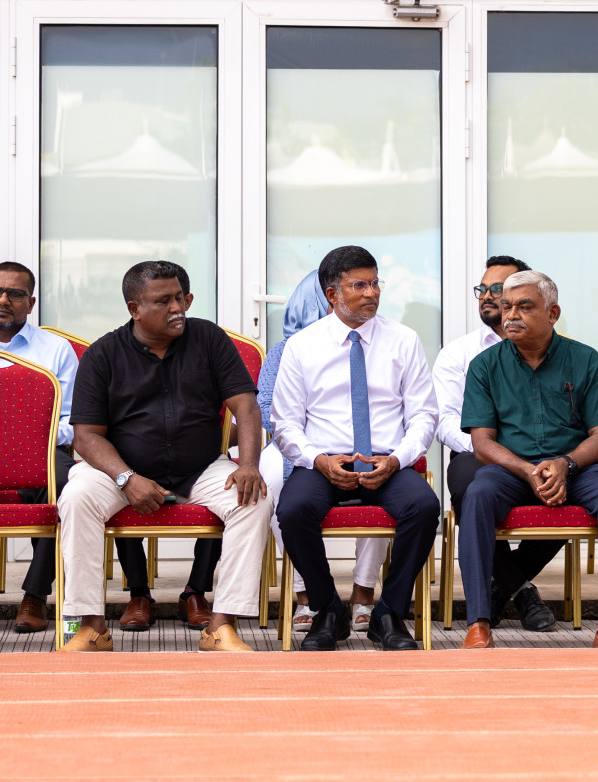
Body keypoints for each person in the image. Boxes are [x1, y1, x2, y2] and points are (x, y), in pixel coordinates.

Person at [58, 261, 270, 652]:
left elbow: (246, 407)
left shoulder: (208, 338)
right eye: (163, 301)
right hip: (119, 471)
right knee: (76, 497)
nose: (177, 308)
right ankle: (90, 626)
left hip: (200, 467)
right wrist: (125, 477)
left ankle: (220, 626)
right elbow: (86, 438)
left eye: (181, 298)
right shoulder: (103, 354)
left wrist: (249, 466)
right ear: (134, 308)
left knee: (253, 498)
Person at [272, 246, 439, 651]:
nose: (371, 293)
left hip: (386, 461)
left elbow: (424, 416)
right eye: (359, 285)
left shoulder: (403, 340)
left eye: (375, 283)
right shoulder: (302, 346)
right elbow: (285, 423)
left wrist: (398, 458)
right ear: (332, 295)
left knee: (425, 506)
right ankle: (328, 609)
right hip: (325, 462)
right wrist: (318, 460)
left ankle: (389, 613)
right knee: (292, 510)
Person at [458, 270, 598, 649]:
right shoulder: (485, 366)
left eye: (524, 306)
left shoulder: (585, 360)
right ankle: (478, 624)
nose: (510, 315)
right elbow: (482, 442)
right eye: (506, 307)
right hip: (511, 472)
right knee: (476, 495)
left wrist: (565, 465)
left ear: (552, 313)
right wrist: (525, 469)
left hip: (577, 469)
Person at [256, 270, 388, 633]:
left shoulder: (376, 342)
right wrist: (308, 446)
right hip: (296, 443)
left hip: (363, 441)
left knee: (380, 477)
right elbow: (267, 405)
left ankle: (364, 590)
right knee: (273, 480)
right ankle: (305, 593)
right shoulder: (288, 349)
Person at [434, 255, 558, 633]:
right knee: (472, 485)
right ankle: (521, 592)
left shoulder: (558, 352)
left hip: (541, 453)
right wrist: (486, 447)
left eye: (498, 290)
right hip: (476, 455)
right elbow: (443, 418)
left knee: (573, 488)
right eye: (483, 290)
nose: (489, 297)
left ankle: (498, 588)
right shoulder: (459, 352)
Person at [0, 260, 84, 634]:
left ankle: (35, 595)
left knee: (66, 485)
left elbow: (72, 420)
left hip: (43, 453)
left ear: (30, 303)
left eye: (15, 294)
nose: (4, 300)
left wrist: (35, 443)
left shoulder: (55, 349)